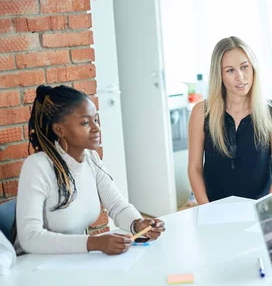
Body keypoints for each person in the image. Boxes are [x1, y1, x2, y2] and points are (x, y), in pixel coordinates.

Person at [15, 85, 165, 256]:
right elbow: (30, 238)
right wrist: (93, 242)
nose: (96, 128)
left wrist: (138, 224)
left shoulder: (91, 158)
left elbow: (117, 206)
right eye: (85, 122)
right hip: (33, 267)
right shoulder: (38, 166)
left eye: (96, 120)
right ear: (59, 129)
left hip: (72, 262)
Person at [188, 36, 272, 204]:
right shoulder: (201, 112)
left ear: (253, 68)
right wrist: (206, 209)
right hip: (214, 210)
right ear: (219, 75)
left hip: (259, 212)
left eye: (244, 67)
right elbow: (194, 168)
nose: (240, 76)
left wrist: (269, 211)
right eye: (230, 70)